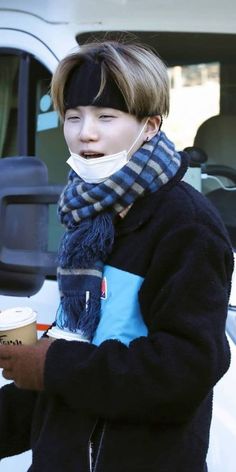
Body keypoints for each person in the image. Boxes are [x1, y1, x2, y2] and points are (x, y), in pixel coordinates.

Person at [0, 40, 233, 472]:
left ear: (149, 125)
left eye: (106, 116)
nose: (85, 132)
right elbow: (76, 365)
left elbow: (187, 368)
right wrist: (40, 368)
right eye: (73, 116)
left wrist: (52, 364)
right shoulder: (89, 215)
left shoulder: (185, 225)